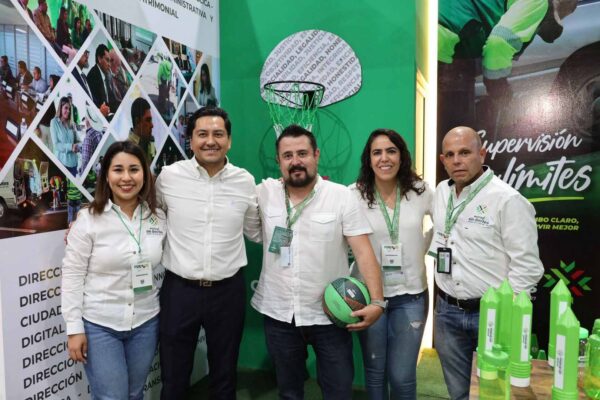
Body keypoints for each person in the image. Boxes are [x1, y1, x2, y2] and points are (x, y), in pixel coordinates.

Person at [251, 124, 385, 399]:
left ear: (316, 155)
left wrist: (377, 302)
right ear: (278, 161)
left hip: (330, 315)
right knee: (289, 392)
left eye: (302, 153)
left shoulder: (341, 196)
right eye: (288, 155)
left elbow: (363, 252)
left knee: (338, 391)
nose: (296, 161)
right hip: (279, 313)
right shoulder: (264, 193)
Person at [430, 126, 544, 400]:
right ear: (443, 160)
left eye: (465, 153)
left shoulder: (507, 200)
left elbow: (528, 267)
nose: (457, 161)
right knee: (458, 391)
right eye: (450, 155)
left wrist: (504, 315)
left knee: (493, 392)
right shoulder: (441, 192)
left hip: (491, 314)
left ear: (482, 154)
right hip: (446, 311)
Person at [156, 107, 260, 399]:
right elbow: (151, 218)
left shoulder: (244, 181)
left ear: (229, 140)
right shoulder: (169, 177)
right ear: (190, 140)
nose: (210, 141)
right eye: (202, 134)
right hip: (179, 291)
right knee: (174, 378)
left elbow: (255, 230)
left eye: (218, 134)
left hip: (227, 292)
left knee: (225, 377)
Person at [62, 140, 166, 399]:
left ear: (145, 175)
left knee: (135, 393)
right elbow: (73, 275)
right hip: (100, 325)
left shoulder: (158, 217)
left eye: (134, 169)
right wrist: (74, 328)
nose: (126, 177)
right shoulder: (88, 220)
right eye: (118, 170)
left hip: (146, 321)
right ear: (106, 176)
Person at [351, 129, 433, 400]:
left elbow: (445, 223)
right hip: (369, 296)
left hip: (411, 296)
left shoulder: (420, 191)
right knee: (375, 372)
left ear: (402, 156)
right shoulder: (354, 194)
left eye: (391, 151)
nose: (384, 158)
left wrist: (422, 247)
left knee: (402, 376)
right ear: (369, 159)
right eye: (377, 152)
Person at [50, 96, 79, 176]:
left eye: (69, 109)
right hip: (62, 164)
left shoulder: (72, 123)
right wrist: (70, 146)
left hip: (74, 164)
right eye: (66, 108)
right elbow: (56, 145)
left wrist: (77, 146)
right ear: (60, 107)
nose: (68, 111)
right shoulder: (54, 122)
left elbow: (76, 140)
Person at [87, 44, 118, 115]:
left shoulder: (105, 75)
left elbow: (110, 100)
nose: (109, 64)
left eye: (110, 61)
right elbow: (98, 105)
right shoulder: (93, 76)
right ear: (99, 59)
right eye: (107, 60)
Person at [128, 97, 156, 164]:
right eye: (148, 120)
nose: (152, 125)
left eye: (151, 120)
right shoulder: (126, 151)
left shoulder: (150, 144)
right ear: (137, 122)